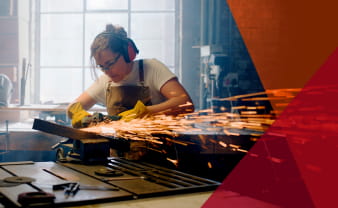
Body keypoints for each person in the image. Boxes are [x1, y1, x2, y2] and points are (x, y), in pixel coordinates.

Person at [67, 24, 194, 128]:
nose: (107, 71)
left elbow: (185, 103)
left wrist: (146, 113)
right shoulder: (106, 81)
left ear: (128, 54)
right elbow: (73, 107)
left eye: (110, 64)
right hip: (120, 156)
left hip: (158, 152)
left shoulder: (151, 68)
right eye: (101, 67)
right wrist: (79, 114)